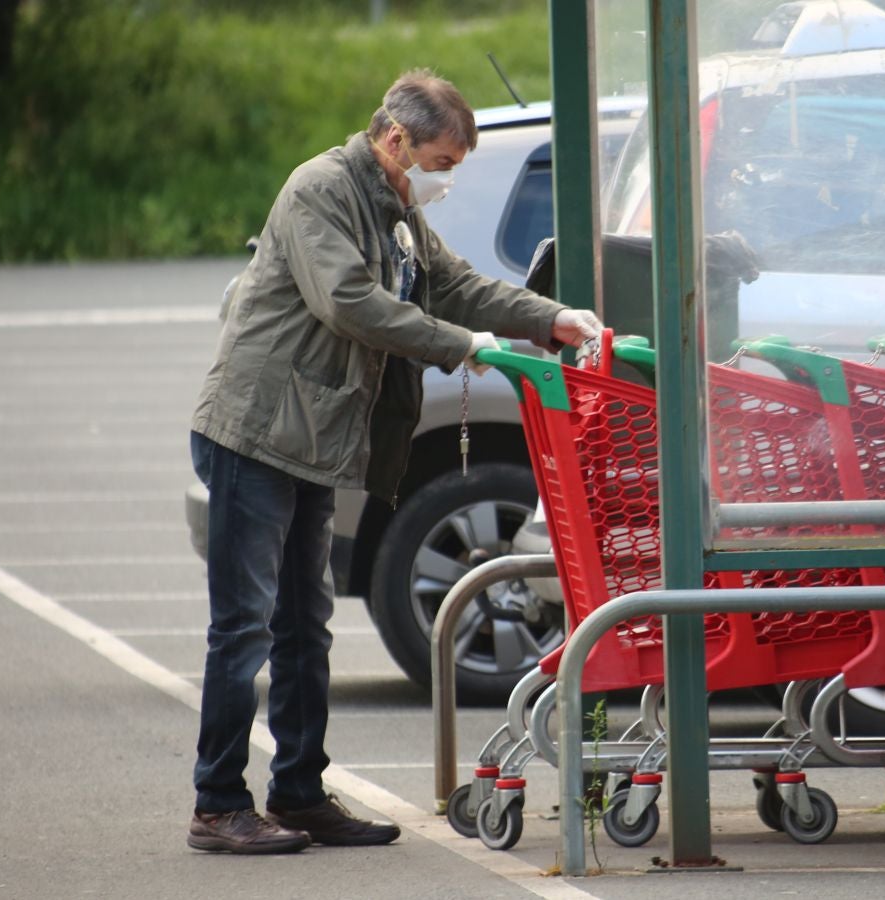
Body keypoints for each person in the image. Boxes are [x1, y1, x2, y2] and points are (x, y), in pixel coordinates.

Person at [186, 69, 602, 854]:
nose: (442, 178)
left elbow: (453, 283)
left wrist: (550, 321)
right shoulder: (321, 189)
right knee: (245, 627)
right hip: (253, 434)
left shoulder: (396, 204)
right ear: (394, 140)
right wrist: (460, 345)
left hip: (309, 440)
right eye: (438, 162)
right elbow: (348, 301)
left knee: (304, 625)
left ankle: (300, 793)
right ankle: (217, 804)